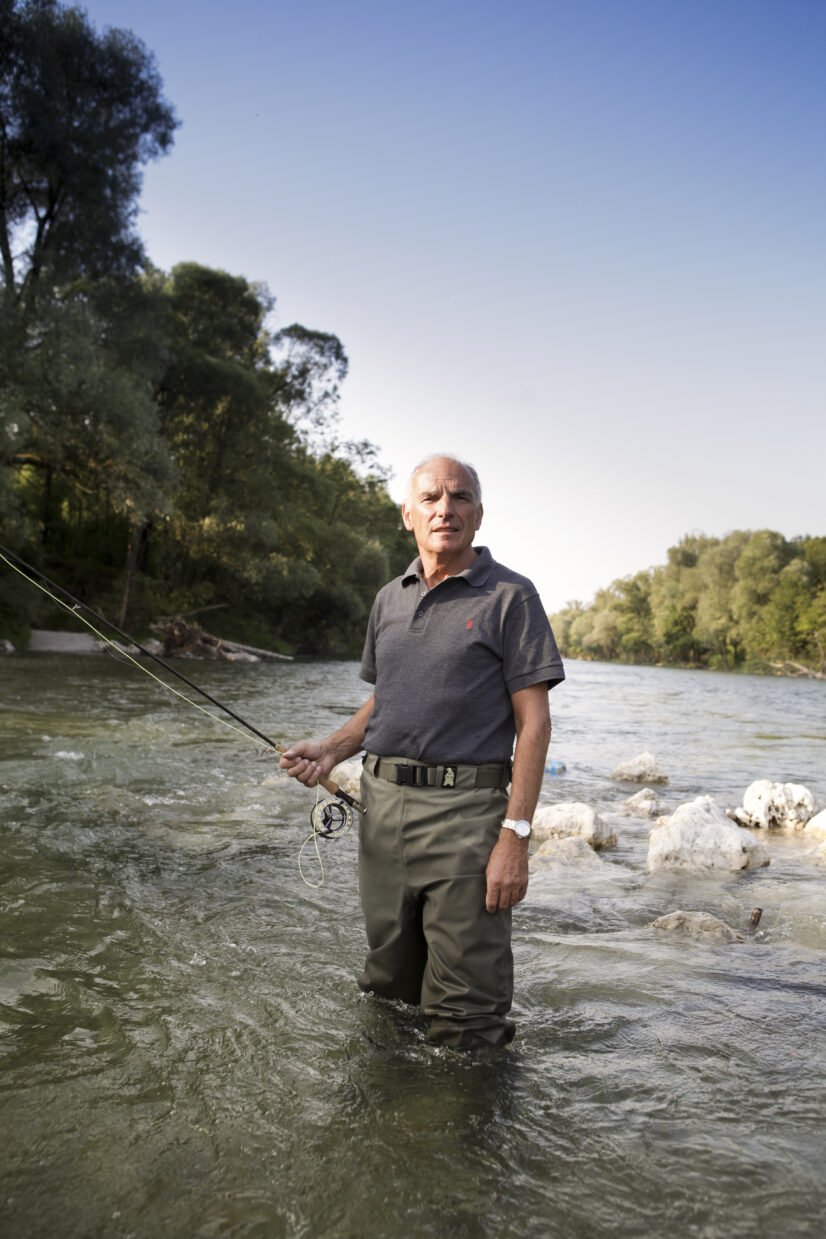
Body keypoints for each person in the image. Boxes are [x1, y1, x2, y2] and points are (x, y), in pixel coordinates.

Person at [280, 454, 564, 1048]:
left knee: (467, 1016)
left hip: (467, 818)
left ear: (478, 516)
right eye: (431, 498)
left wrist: (515, 836)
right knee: (388, 989)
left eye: (460, 498)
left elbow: (534, 725)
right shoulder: (389, 599)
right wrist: (331, 751)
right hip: (381, 812)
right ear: (408, 514)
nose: (445, 509)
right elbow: (387, 701)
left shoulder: (512, 597)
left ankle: (463, 1130)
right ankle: (386, 1120)